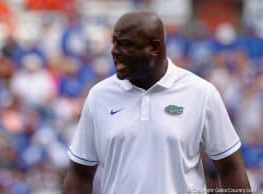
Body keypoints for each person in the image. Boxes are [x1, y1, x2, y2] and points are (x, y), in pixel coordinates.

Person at [62, 11, 251, 194]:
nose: (114, 51)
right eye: (115, 43)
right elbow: (80, 174)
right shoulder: (99, 96)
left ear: (154, 48)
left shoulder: (201, 93)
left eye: (125, 45)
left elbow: (230, 169)